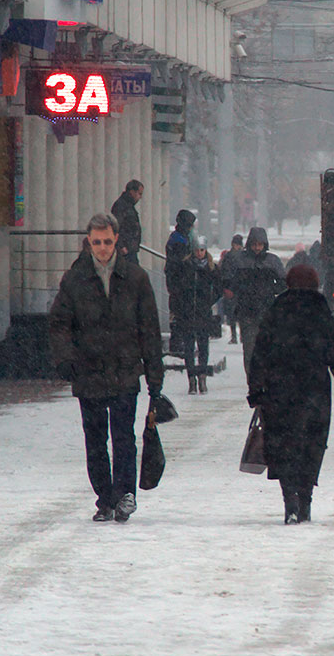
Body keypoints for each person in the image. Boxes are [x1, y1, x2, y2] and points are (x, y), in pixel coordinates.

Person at [49, 212, 163, 523]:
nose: (102, 248)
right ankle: (104, 498)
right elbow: (59, 323)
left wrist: (155, 372)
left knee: (124, 436)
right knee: (95, 438)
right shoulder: (74, 280)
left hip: (125, 369)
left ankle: (125, 494)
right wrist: (65, 358)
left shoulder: (136, 279)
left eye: (107, 241)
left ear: (116, 241)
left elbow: (149, 328)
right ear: (88, 242)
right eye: (97, 242)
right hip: (89, 371)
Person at [247, 264, 334, 524]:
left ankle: (290, 502)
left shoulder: (277, 309)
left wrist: (255, 391)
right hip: (315, 391)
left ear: (288, 283)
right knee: (312, 445)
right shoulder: (320, 310)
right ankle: (306, 500)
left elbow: (259, 353)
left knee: (284, 445)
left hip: (279, 390)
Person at [224, 226, 286, 376]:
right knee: (250, 350)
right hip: (248, 312)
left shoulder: (271, 261)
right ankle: (254, 379)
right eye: (255, 244)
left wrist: (271, 289)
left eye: (260, 244)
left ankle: (264, 378)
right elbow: (230, 283)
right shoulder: (241, 261)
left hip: (266, 311)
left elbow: (283, 284)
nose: (257, 248)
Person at [177, 234, 222, 394]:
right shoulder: (185, 266)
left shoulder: (211, 268)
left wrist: (209, 300)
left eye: (202, 250)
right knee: (189, 347)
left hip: (203, 312)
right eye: (197, 250)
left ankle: (202, 377)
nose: (199, 253)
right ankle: (191, 379)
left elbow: (218, 287)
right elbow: (179, 288)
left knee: (203, 345)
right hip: (188, 312)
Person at [110, 180, 144, 265]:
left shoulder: (128, 206)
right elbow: (116, 227)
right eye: (139, 194)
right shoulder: (121, 206)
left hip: (130, 248)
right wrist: (121, 246)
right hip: (126, 250)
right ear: (132, 192)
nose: (140, 197)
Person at [219, 233, 244, 344]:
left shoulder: (228, 256)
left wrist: (226, 286)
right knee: (242, 314)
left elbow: (224, 272)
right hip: (241, 288)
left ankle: (234, 336)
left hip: (231, 288)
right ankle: (242, 336)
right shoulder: (244, 256)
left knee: (232, 314)